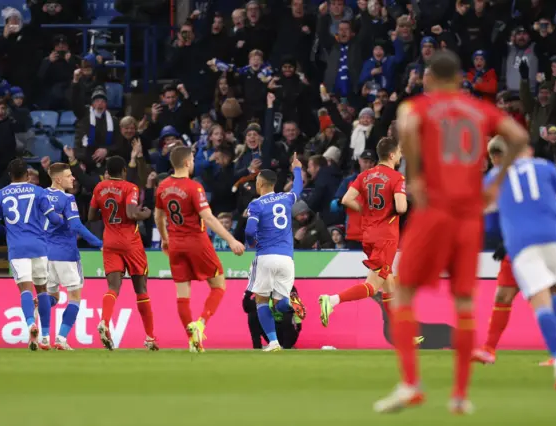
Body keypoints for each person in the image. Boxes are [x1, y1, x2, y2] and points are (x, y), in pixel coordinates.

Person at [375, 51, 529, 415]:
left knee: (404, 293)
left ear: (429, 78)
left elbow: (407, 128)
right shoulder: (481, 110)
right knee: (463, 302)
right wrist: (496, 182)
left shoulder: (418, 107)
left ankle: (411, 383)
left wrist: (416, 178)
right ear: (460, 78)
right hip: (470, 215)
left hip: (435, 211)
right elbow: (519, 137)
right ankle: (460, 396)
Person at [484, 146, 556, 390]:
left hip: (521, 244)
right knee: (554, 290)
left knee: (539, 300)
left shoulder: (494, 177)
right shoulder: (547, 167)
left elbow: (490, 226)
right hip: (555, 237)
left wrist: (508, 234)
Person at [154, 146, 245, 353]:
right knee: (219, 285)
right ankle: (201, 324)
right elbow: (209, 217)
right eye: (193, 159)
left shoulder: (162, 187)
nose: (194, 162)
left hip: (175, 244)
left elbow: (158, 217)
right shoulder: (194, 187)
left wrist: (164, 239)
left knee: (182, 294)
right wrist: (231, 240)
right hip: (196, 241)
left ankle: (192, 340)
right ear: (187, 163)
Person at [472, 137, 551, 366]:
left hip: (531, 245)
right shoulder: (505, 179)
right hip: (514, 247)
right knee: (503, 296)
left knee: (542, 298)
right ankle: (489, 349)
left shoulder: (515, 178)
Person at [319, 138, 407, 328]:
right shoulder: (397, 178)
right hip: (386, 238)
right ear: (391, 155)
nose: (400, 155)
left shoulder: (365, 175)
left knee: (389, 285)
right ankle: (332, 300)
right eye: (399, 152)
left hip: (368, 236)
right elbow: (401, 207)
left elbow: (346, 199)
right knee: (372, 286)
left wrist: (365, 210)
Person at [0, 159, 63, 351]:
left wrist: (10, 232)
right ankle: (45, 336)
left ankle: (31, 323)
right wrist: (60, 219)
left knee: (25, 290)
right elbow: (53, 219)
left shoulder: (1, 195)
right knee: (42, 290)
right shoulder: (39, 191)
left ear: (9, 175)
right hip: (39, 246)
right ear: (28, 176)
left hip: (17, 248)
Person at [88, 156, 158, 351]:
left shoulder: (99, 188)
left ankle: (105, 321)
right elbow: (131, 213)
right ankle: (150, 338)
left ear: (108, 172)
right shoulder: (130, 187)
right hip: (130, 243)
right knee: (141, 289)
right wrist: (146, 213)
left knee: (113, 287)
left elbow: (91, 216)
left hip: (109, 241)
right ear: (124, 171)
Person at [244, 156, 305, 352]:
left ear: (260, 183)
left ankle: (273, 342)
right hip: (287, 258)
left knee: (261, 300)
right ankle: (290, 305)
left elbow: (249, 231)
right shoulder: (286, 198)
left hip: (266, 256)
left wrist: (252, 243)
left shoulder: (256, 204)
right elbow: (298, 189)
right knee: (280, 303)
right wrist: (297, 169)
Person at [43, 163, 103, 350]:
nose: (73, 178)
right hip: (66, 254)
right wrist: (99, 243)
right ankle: (61, 338)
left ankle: (43, 334)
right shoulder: (67, 198)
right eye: (69, 176)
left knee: (51, 295)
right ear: (58, 179)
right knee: (74, 296)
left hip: (45, 255)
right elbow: (77, 226)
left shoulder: (40, 196)